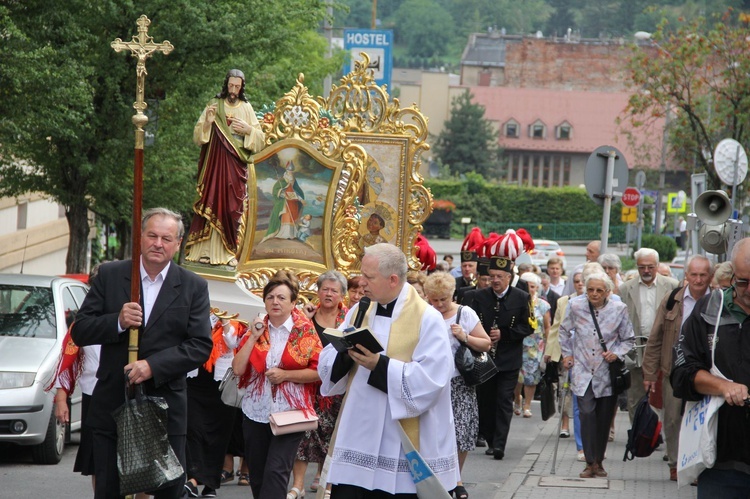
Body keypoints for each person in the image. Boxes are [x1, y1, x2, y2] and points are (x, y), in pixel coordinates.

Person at [71, 208, 213, 499]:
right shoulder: (111, 275)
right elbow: (81, 330)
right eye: (152, 235)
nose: (158, 243)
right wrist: (117, 322)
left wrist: (153, 366)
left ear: (178, 243)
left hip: (166, 406)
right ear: (141, 238)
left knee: (168, 492)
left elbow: (200, 345)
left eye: (166, 238)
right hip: (113, 402)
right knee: (108, 489)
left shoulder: (192, 286)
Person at [318, 243, 460, 497]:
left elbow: (433, 379)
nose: (362, 282)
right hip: (358, 432)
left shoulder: (427, 318)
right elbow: (329, 361)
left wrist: (378, 365)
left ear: (393, 279)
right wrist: (343, 351)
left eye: (369, 277)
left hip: (400, 436)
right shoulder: (360, 309)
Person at [231, 270, 321, 499]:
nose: (275, 302)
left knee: (276, 472)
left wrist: (285, 375)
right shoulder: (257, 329)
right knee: (259, 475)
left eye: (281, 297)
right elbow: (238, 369)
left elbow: (317, 371)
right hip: (256, 411)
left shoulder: (304, 330)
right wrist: (252, 336)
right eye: (270, 297)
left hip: (290, 413)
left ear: (293, 303)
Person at [671, 238, 750, 497]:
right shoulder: (709, 310)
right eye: (743, 281)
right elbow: (682, 372)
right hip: (719, 459)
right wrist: (723, 386)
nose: (749, 289)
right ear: (730, 274)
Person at [642, 255, 712, 482]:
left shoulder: (717, 301)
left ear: (709, 276)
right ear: (686, 276)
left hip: (706, 372)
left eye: (703, 275)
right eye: (694, 274)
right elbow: (655, 338)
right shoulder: (672, 299)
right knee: (672, 419)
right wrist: (650, 373)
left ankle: (697, 465)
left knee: (700, 420)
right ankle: (675, 462)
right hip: (673, 369)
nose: (698, 280)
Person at [185, 69, 265, 266]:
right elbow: (197, 136)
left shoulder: (246, 108)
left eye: (237, 87)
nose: (233, 90)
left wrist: (248, 130)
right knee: (210, 200)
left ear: (242, 87)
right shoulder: (214, 104)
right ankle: (203, 251)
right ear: (226, 85)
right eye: (231, 86)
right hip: (214, 163)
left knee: (231, 208)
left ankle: (228, 252)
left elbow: (261, 139)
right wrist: (208, 123)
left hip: (234, 165)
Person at [560, 272, 635, 479]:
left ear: (608, 292)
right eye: (590, 289)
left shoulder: (619, 309)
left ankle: (599, 462)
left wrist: (616, 353)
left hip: (606, 372)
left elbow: (628, 339)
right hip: (583, 369)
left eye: (599, 290)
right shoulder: (575, 305)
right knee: (585, 413)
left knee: (603, 418)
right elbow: (564, 331)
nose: (593, 294)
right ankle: (589, 461)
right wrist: (567, 355)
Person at [424, 272, 491, 499]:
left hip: (459, 382)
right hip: (433, 383)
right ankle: (448, 481)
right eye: (434, 299)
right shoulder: (424, 314)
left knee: (461, 434)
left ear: (452, 294)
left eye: (443, 299)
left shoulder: (465, 313)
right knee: (435, 434)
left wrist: (464, 337)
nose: (439, 304)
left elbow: (486, 344)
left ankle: (455, 477)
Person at [466, 256, 532, 460]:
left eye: (500, 277)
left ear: (509, 277)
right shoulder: (479, 296)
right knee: (485, 401)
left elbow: (529, 325)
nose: (495, 280)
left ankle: (500, 444)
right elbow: (470, 322)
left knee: (504, 400)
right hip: (484, 359)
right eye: (492, 276)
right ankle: (492, 440)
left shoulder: (521, 297)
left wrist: (505, 333)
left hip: (508, 359)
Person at [290, 271, 349, 499]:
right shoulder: (306, 317)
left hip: (336, 388)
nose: (329, 294)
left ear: (342, 295)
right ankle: (298, 485)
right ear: (318, 291)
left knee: (332, 437)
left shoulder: (348, 320)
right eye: (325, 289)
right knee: (303, 436)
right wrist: (302, 319)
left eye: (334, 290)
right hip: (309, 386)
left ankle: (326, 484)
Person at [184, 314, 246, 497]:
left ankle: (210, 484)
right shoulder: (196, 314)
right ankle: (194, 478)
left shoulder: (235, 318)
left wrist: (225, 319)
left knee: (218, 436)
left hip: (221, 383)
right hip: (195, 380)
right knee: (193, 430)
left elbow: (233, 342)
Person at [617, 248, 679, 422]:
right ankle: (637, 437)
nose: (646, 271)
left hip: (662, 347)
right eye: (641, 267)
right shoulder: (625, 288)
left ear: (657, 266)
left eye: (650, 267)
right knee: (635, 397)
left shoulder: (672, 286)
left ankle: (662, 434)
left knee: (663, 394)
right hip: (636, 348)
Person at [544, 266, 586, 460]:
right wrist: (550, 352)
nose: (580, 284)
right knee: (564, 389)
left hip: (585, 356)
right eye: (576, 281)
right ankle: (564, 424)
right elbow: (556, 328)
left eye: (582, 280)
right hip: (566, 354)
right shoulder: (564, 301)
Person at [514, 272, 550, 418]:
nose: (531, 289)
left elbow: (548, 327)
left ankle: (527, 405)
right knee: (517, 376)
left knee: (532, 376)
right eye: (528, 286)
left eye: (533, 286)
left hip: (536, 345)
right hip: (518, 343)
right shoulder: (517, 302)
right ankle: (517, 399)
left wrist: (548, 346)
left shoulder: (543, 305)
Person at [264, 164, 306, 241]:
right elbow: (276, 190)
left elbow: (296, 191)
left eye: (292, 171)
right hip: (285, 203)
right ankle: (285, 234)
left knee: (293, 217)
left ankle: (293, 234)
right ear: (286, 171)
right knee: (287, 217)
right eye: (289, 171)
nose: (290, 172)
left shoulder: (293, 180)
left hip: (293, 202)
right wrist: (283, 195)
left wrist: (301, 199)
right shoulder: (282, 180)